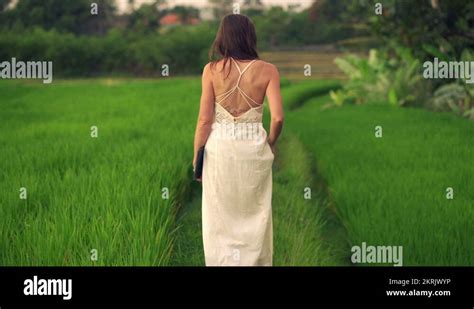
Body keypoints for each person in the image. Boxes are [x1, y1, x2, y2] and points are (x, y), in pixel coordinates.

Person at [192, 14, 284, 266]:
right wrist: (271, 143)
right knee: (255, 214)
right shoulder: (268, 70)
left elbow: (204, 121)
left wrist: (197, 160)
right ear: (250, 36)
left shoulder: (211, 71)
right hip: (253, 147)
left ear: (223, 37)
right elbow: (277, 118)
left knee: (219, 218)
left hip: (219, 148)